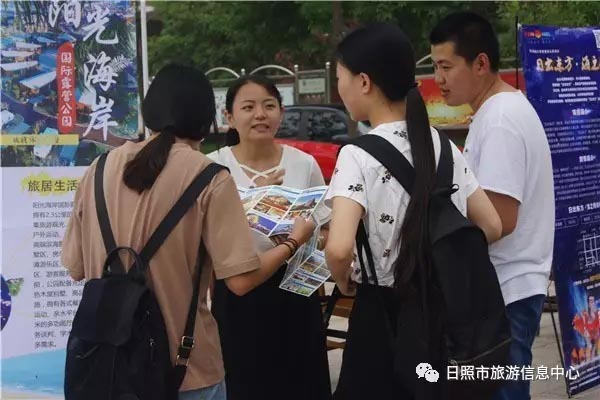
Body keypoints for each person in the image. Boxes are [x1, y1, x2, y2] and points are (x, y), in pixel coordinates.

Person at [61, 64, 316, 400]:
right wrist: (294, 240)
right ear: (207, 119)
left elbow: (76, 267)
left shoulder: (99, 168)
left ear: (149, 111)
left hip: (106, 368)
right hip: (185, 370)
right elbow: (241, 281)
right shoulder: (210, 176)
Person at [323, 23, 502, 400]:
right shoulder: (443, 146)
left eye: (340, 78)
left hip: (381, 317)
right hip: (442, 310)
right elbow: (491, 225)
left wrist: (344, 282)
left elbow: (338, 249)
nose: (340, 89)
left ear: (364, 82)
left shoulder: (356, 155)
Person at [430, 12, 555, 400]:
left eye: (446, 66)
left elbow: (499, 220)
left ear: (480, 63)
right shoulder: (499, 110)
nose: (438, 78)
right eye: (435, 66)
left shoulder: (500, 119)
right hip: (508, 287)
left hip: (506, 290)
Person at [207, 75, 332, 400]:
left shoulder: (303, 164)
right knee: (244, 383)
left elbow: (325, 229)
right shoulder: (214, 166)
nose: (260, 114)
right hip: (238, 294)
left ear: (281, 112)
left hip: (295, 293)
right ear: (229, 116)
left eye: (269, 106)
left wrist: (308, 239)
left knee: (300, 384)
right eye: (248, 107)